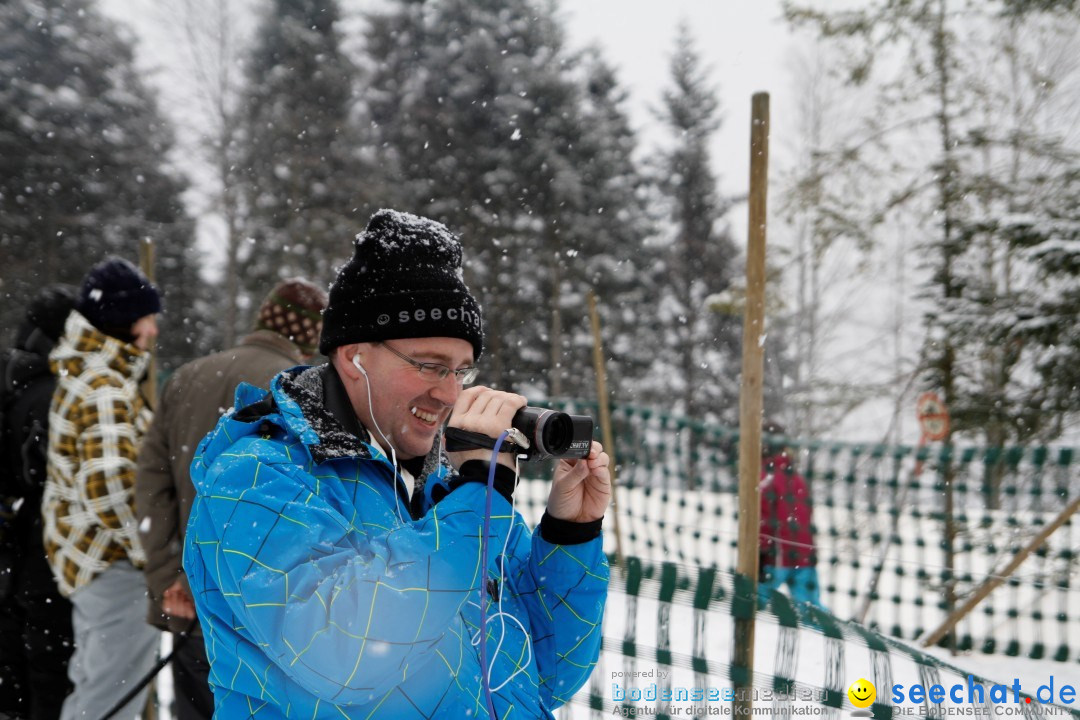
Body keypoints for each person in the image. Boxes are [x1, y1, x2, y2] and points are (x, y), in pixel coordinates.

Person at [184, 209, 611, 719]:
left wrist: (569, 535)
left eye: (460, 370)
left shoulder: (447, 488)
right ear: (353, 355)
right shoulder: (256, 477)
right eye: (429, 366)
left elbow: (548, 674)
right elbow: (345, 656)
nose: (449, 392)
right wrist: (480, 492)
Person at [135, 278, 328, 720]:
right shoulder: (302, 390)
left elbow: (151, 483)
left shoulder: (187, 377)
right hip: (266, 615)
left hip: (192, 604)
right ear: (310, 336)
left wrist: (173, 574)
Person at [42, 257, 163, 720]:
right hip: (115, 570)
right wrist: (153, 558)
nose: (152, 330)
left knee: (96, 688)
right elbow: (112, 490)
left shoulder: (87, 375)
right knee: (110, 701)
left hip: (88, 560)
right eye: (146, 318)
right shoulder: (105, 388)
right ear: (121, 320)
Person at [0, 285, 77, 720]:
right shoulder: (50, 393)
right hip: (41, 548)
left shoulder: (14, 377)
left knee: (14, 668)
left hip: (13, 544)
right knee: (50, 668)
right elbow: (47, 474)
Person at [758, 420, 823, 608]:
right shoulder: (795, 476)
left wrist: (760, 555)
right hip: (804, 555)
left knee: (753, 604)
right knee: (811, 610)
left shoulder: (764, 478)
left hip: (775, 556)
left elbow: (763, 520)